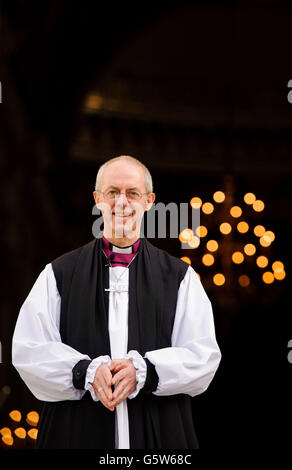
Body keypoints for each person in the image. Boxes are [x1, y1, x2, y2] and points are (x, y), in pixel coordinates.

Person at [12, 155, 221, 449]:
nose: (121, 202)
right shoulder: (59, 274)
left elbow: (204, 357)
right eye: (112, 192)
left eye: (132, 193)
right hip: (76, 431)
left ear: (149, 201)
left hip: (158, 432)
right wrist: (84, 372)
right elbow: (28, 350)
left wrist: (145, 371)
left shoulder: (180, 278)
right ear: (97, 199)